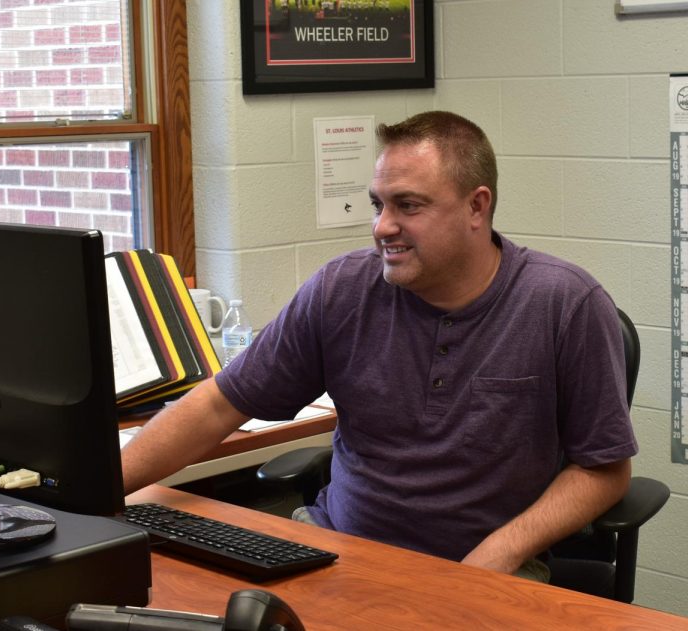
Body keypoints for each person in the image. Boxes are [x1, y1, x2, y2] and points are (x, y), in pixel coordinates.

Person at [121, 110, 637, 582]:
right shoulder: (341, 290)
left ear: (477, 207)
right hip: (334, 550)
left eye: (407, 206)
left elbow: (603, 470)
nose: (381, 226)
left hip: (487, 568)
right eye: (377, 204)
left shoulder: (564, 303)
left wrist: (498, 553)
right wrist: (97, 487)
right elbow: (217, 404)